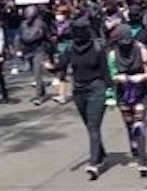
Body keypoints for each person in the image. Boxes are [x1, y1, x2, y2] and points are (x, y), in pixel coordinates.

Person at [46, 17, 110, 180]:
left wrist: (111, 92)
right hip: (79, 90)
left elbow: (105, 71)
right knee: (89, 126)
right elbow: (61, 67)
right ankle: (101, 154)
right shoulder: (69, 49)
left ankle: (94, 163)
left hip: (97, 89)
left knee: (94, 126)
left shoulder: (97, 47)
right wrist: (51, 67)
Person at [107, 25, 147, 176]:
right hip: (123, 92)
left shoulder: (141, 50)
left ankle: (143, 161)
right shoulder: (113, 55)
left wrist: (141, 77)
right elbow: (110, 75)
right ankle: (135, 151)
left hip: (141, 91)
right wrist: (118, 78)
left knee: (139, 122)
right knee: (129, 123)